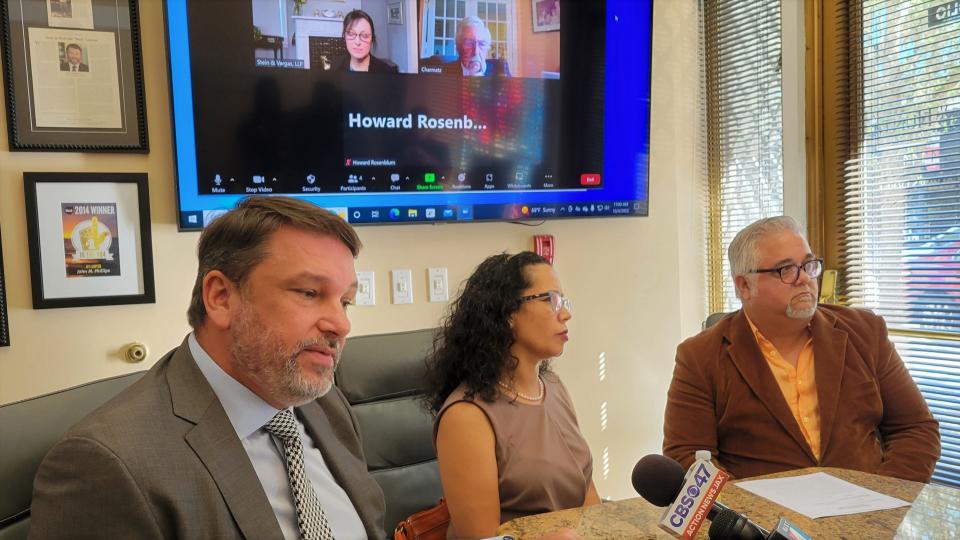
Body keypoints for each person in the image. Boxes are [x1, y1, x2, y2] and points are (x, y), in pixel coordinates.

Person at [29, 196, 385, 539]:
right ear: (221, 297)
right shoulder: (107, 464)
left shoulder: (326, 404)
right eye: (309, 293)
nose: (340, 324)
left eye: (345, 302)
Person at [663, 216, 941, 483]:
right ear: (744, 285)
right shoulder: (700, 356)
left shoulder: (864, 332)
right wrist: (749, 518)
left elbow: (915, 428)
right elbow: (688, 456)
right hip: (764, 524)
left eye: (808, 265)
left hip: (865, 514)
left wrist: (885, 497)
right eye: (785, 270)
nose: (804, 278)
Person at [424, 252, 598, 539]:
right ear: (507, 314)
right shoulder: (466, 415)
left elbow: (589, 500)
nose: (565, 313)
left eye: (563, 302)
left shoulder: (553, 388)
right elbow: (481, 537)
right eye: (549, 300)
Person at [330, 9, 398, 73]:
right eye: (351, 34)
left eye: (365, 35)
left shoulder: (387, 72)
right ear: (344, 37)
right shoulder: (335, 65)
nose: (357, 42)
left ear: (372, 39)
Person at [442, 16, 510, 77]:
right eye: (469, 43)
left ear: (487, 48)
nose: (476, 52)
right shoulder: (444, 72)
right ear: (458, 46)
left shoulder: (500, 69)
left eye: (482, 44)